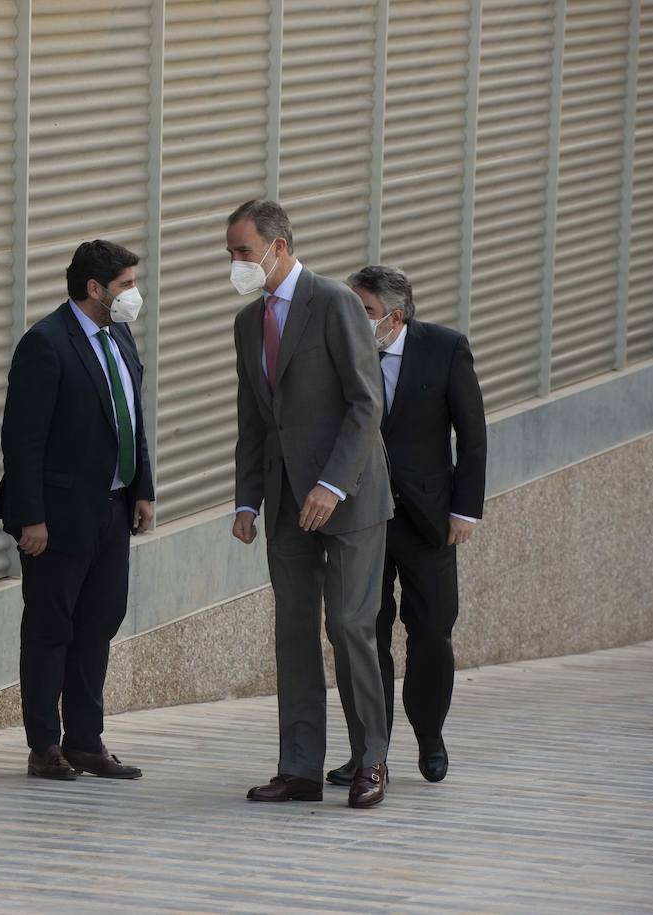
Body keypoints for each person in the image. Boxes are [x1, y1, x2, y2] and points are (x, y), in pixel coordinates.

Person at [226, 200, 394, 809]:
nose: (238, 264)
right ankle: (298, 768)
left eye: (244, 252)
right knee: (293, 632)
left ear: (279, 245)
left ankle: (370, 760)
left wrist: (332, 484)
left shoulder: (335, 302)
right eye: (233, 255)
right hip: (283, 503)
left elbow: (365, 402)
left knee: (349, 626)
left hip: (347, 496)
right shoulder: (248, 324)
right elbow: (253, 421)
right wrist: (247, 500)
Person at [0, 239, 155, 782]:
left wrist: (143, 490)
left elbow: (133, 418)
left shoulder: (120, 335)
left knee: (99, 623)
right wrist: (30, 516)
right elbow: (22, 441)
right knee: (50, 630)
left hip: (114, 508)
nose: (134, 295)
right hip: (58, 519)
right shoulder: (45, 344)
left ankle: (87, 740)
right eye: (126, 285)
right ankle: (45, 746)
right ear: (94, 288)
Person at [324, 265, 486, 787]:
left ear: (393, 316)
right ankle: (371, 750)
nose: (354, 319)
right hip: (363, 516)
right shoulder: (339, 350)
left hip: (427, 520)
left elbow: (473, 434)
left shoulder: (445, 348)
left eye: (363, 311)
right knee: (364, 634)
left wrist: (465, 510)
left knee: (432, 632)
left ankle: (431, 736)